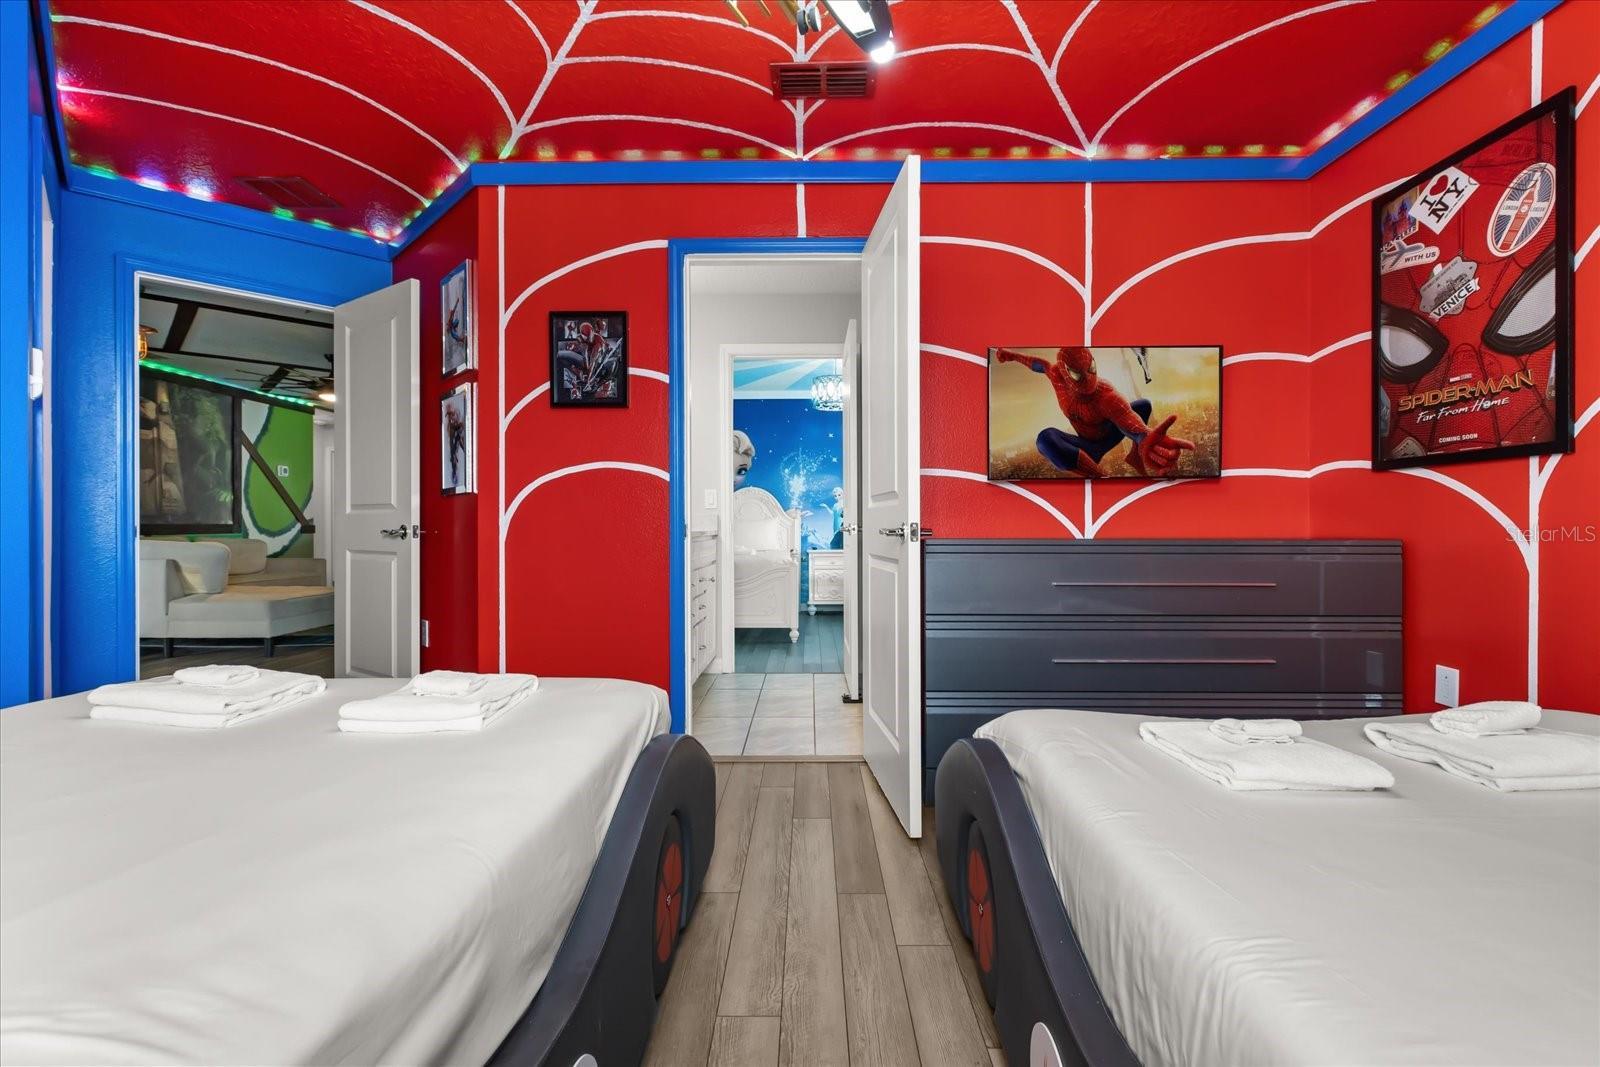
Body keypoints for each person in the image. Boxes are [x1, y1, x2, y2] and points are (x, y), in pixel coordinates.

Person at [995, 346, 1193, 477]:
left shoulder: (1107, 395)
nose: (1088, 378)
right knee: (1045, 439)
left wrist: (1145, 437)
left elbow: (1128, 417)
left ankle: (1135, 456)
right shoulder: (1056, 376)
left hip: (1109, 435)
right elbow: (1041, 365)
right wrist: (1012, 356)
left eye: (1091, 368)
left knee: (1143, 405)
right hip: (1086, 449)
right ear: (1064, 372)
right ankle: (1099, 475)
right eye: (1077, 374)